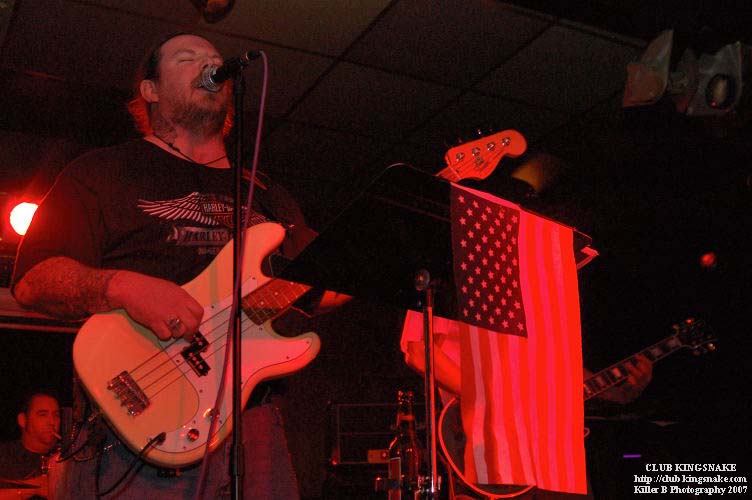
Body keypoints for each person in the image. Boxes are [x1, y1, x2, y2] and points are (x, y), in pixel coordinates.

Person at [11, 32, 345, 499]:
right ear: (150, 90)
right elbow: (33, 280)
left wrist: (359, 271)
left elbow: (327, 286)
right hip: (135, 423)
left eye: (214, 58)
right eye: (188, 58)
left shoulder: (266, 193)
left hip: (252, 426)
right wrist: (123, 286)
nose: (209, 64)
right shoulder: (101, 171)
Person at [0, 391, 61, 499]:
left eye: (56, 415)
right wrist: (33, 489)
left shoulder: (67, 457)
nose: (52, 422)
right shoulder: (4, 455)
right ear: (23, 420)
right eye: (43, 414)